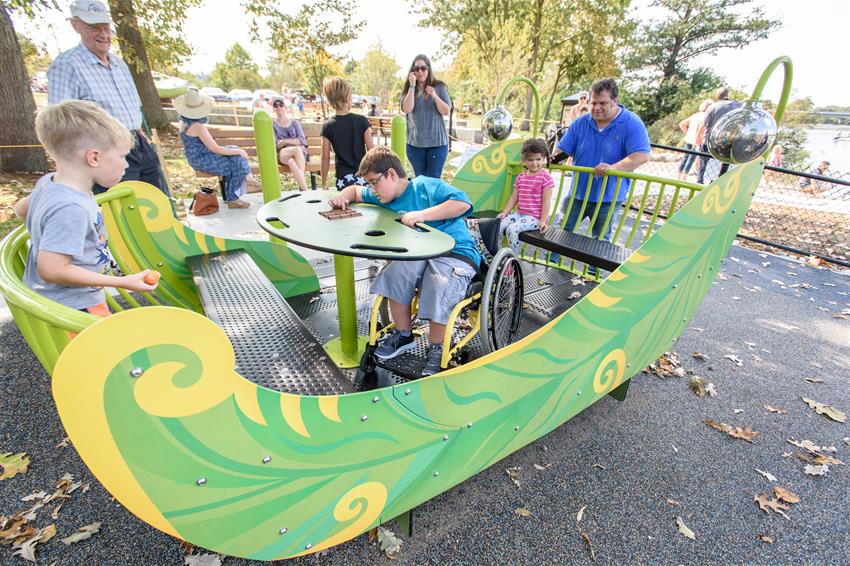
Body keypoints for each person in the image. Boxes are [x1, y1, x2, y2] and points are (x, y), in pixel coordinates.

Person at [328, 147, 479, 377]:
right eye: (370, 184)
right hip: (420, 253)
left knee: (437, 281)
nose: (372, 189)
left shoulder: (425, 186)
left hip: (455, 251)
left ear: (391, 174)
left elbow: (464, 204)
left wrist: (422, 215)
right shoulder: (385, 195)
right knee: (397, 270)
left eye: (374, 182)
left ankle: (437, 346)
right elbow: (355, 191)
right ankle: (403, 333)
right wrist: (343, 197)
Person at [19, 101, 158, 316]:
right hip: (74, 308)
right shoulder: (70, 208)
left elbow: (21, 210)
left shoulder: (49, 183)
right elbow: (51, 269)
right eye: (122, 156)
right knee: (115, 349)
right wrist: (122, 282)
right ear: (94, 157)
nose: (126, 165)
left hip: (60, 302)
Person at [47, 0, 168, 197]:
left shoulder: (119, 64)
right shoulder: (66, 65)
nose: (103, 34)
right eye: (94, 28)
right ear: (76, 25)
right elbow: (59, 124)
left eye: (106, 28)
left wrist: (140, 134)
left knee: (157, 202)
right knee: (125, 214)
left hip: (138, 143)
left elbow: (134, 106)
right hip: (105, 152)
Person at [551, 78, 651, 247]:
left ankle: (593, 272)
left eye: (602, 103)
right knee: (561, 232)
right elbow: (563, 151)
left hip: (609, 196)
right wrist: (547, 159)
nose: (596, 108)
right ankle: (553, 264)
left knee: (601, 239)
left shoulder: (631, 123)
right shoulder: (581, 123)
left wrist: (613, 168)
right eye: (593, 103)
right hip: (578, 192)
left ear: (615, 101)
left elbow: (641, 155)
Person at [174, 90, 258, 209]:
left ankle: (248, 180)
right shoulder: (198, 126)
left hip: (197, 157)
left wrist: (236, 150)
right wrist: (239, 152)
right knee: (235, 160)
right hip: (202, 160)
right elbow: (216, 149)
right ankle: (235, 196)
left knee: (234, 150)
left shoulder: (184, 121)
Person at [497, 138, 554, 253]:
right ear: (524, 160)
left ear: (543, 158)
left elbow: (546, 201)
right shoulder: (521, 177)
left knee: (512, 229)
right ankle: (497, 254)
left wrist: (543, 221)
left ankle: (513, 258)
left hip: (535, 218)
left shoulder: (545, 177)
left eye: (538, 159)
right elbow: (514, 197)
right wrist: (505, 212)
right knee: (500, 225)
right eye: (530, 160)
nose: (534, 163)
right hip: (520, 214)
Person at [401, 54, 452, 178]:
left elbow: (446, 111)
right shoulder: (409, 89)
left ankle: (434, 199)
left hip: (437, 144)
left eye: (423, 68)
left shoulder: (439, 87)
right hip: (415, 145)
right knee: (420, 180)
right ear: (412, 72)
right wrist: (412, 86)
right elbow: (407, 109)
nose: (420, 71)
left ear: (428, 69)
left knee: (433, 180)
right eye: (416, 69)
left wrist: (434, 96)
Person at [320, 77, 374, 190]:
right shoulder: (361, 121)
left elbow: (325, 158)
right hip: (363, 178)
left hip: (342, 181)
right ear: (347, 98)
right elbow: (372, 152)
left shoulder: (327, 126)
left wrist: (324, 183)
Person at [695, 87, 742, 183]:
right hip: (727, 140)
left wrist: (698, 137)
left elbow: (704, 125)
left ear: (717, 96)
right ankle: (720, 179)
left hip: (710, 139)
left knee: (703, 160)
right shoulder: (737, 106)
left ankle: (700, 180)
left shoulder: (713, 107)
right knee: (725, 161)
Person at [271, 96, 309, 192]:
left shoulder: (294, 123)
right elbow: (276, 145)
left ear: (285, 107)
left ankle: (304, 189)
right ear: (273, 109)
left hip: (299, 154)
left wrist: (285, 141)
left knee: (292, 161)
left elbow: (302, 141)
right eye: (276, 105)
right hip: (283, 153)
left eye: (281, 105)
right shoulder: (272, 124)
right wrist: (291, 141)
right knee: (296, 149)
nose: (279, 107)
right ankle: (306, 191)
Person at [677, 99, 712, 180]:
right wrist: (698, 138)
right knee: (691, 159)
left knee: (685, 157)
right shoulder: (706, 116)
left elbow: (682, 124)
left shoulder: (696, 115)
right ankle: (684, 176)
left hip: (689, 138)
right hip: (697, 140)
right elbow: (701, 127)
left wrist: (687, 133)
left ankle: (679, 175)